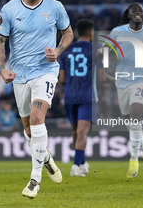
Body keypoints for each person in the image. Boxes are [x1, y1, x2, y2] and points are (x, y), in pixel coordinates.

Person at [0, 0, 73, 199]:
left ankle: (34, 180)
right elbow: (0, 42)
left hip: (45, 71)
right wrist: (1, 68)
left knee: (38, 118)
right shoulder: (9, 10)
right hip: (19, 76)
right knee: (29, 130)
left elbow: (68, 33)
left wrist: (58, 51)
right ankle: (46, 157)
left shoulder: (55, 7)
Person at [106, 3, 143, 180]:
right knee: (131, 123)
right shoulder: (117, 32)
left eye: (141, 11)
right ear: (128, 14)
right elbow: (109, 51)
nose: (138, 13)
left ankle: (133, 160)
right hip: (123, 82)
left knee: (136, 116)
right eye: (134, 11)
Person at [59, 19, 96, 177]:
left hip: (70, 96)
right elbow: (101, 76)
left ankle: (82, 162)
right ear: (90, 33)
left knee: (77, 131)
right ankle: (76, 165)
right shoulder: (95, 50)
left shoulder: (66, 50)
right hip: (87, 96)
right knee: (82, 132)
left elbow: (61, 79)